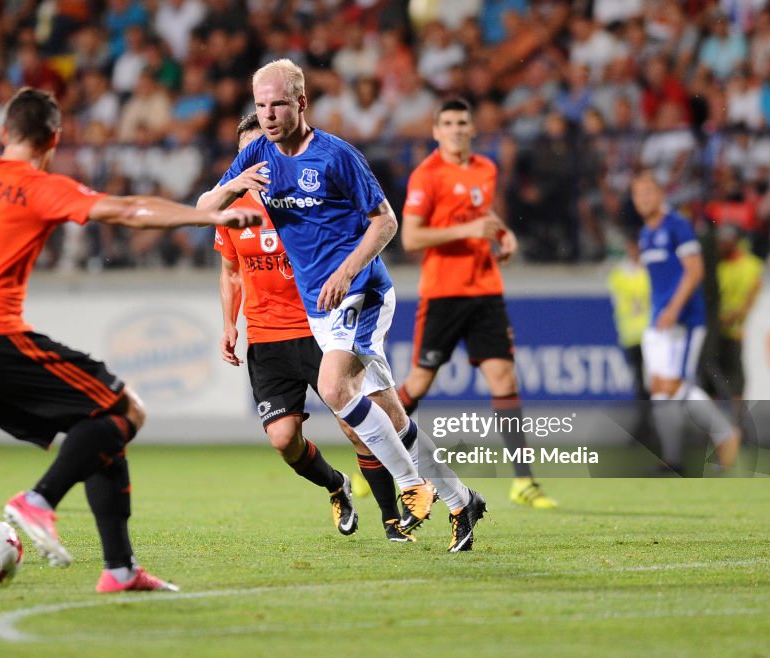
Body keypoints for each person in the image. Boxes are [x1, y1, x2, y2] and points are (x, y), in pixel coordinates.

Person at [0, 78, 262, 592]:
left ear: (3, 131)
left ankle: (120, 570)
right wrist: (208, 215)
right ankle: (39, 499)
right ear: (54, 141)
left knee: (96, 430)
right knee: (127, 410)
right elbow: (129, 209)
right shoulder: (41, 186)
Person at [198, 59, 485, 552]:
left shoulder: (336, 156)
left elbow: (386, 223)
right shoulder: (258, 157)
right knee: (391, 417)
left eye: (278, 104)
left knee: (334, 387)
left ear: (301, 102)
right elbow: (204, 209)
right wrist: (234, 187)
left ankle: (412, 485)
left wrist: (346, 270)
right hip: (321, 306)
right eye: (260, 105)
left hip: (362, 291)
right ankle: (461, 500)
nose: (267, 115)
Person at [214, 112, 412, 542]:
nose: (259, 163)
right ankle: (336, 485)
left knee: (351, 420)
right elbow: (230, 270)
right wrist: (229, 324)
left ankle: (392, 519)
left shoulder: (298, 200)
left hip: (317, 324)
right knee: (284, 440)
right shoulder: (231, 211)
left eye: (263, 152)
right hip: (266, 337)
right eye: (249, 155)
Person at [396, 98, 557, 509]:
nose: (454, 128)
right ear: (435, 131)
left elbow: (480, 213)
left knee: (505, 380)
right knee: (419, 383)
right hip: (443, 293)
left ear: (471, 130)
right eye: (446, 122)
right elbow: (412, 238)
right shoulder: (426, 175)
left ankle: (524, 481)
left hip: (485, 289)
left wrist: (504, 233)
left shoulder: (486, 169)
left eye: (461, 122)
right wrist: (470, 229)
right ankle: (377, 457)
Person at [632, 170, 740, 472]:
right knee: (659, 388)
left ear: (660, 194)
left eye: (648, 192)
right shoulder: (645, 234)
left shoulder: (677, 226)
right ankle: (673, 459)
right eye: (638, 194)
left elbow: (694, 270)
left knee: (674, 384)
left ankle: (725, 432)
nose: (643, 199)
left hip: (684, 320)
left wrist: (673, 308)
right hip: (660, 320)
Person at [606, 231, 659, 453]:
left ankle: (652, 428)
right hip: (633, 336)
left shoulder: (649, 269)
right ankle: (648, 428)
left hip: (653, 335)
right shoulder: (621, 273)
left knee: (655, 384)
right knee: (642, 384)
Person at [712, 224, 763, 425]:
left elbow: (752, 295)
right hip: (715, 330)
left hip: (733, 331)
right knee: (711, 380)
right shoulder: (717, 264)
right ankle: (714, 427)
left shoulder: (750, 265)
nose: (722, 245)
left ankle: (737, 424)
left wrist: (736, 315)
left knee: (736, 382)